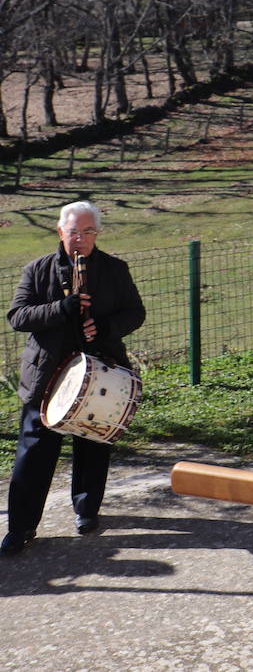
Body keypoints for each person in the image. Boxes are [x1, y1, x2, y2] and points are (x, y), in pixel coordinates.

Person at [2, 201, 146, 556]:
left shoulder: (114, 269)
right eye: (72, 232)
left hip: (100, 371)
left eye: (87, 232)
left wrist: (106, 328)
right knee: (34, 453)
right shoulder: (37, 270)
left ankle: (86, 510)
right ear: (60, 232)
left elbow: (135, 312)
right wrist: (59, 309)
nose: (79, 239)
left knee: (94, 445)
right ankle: (20, 528)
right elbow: (18, 316)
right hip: (47, 378)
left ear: (97, 234)